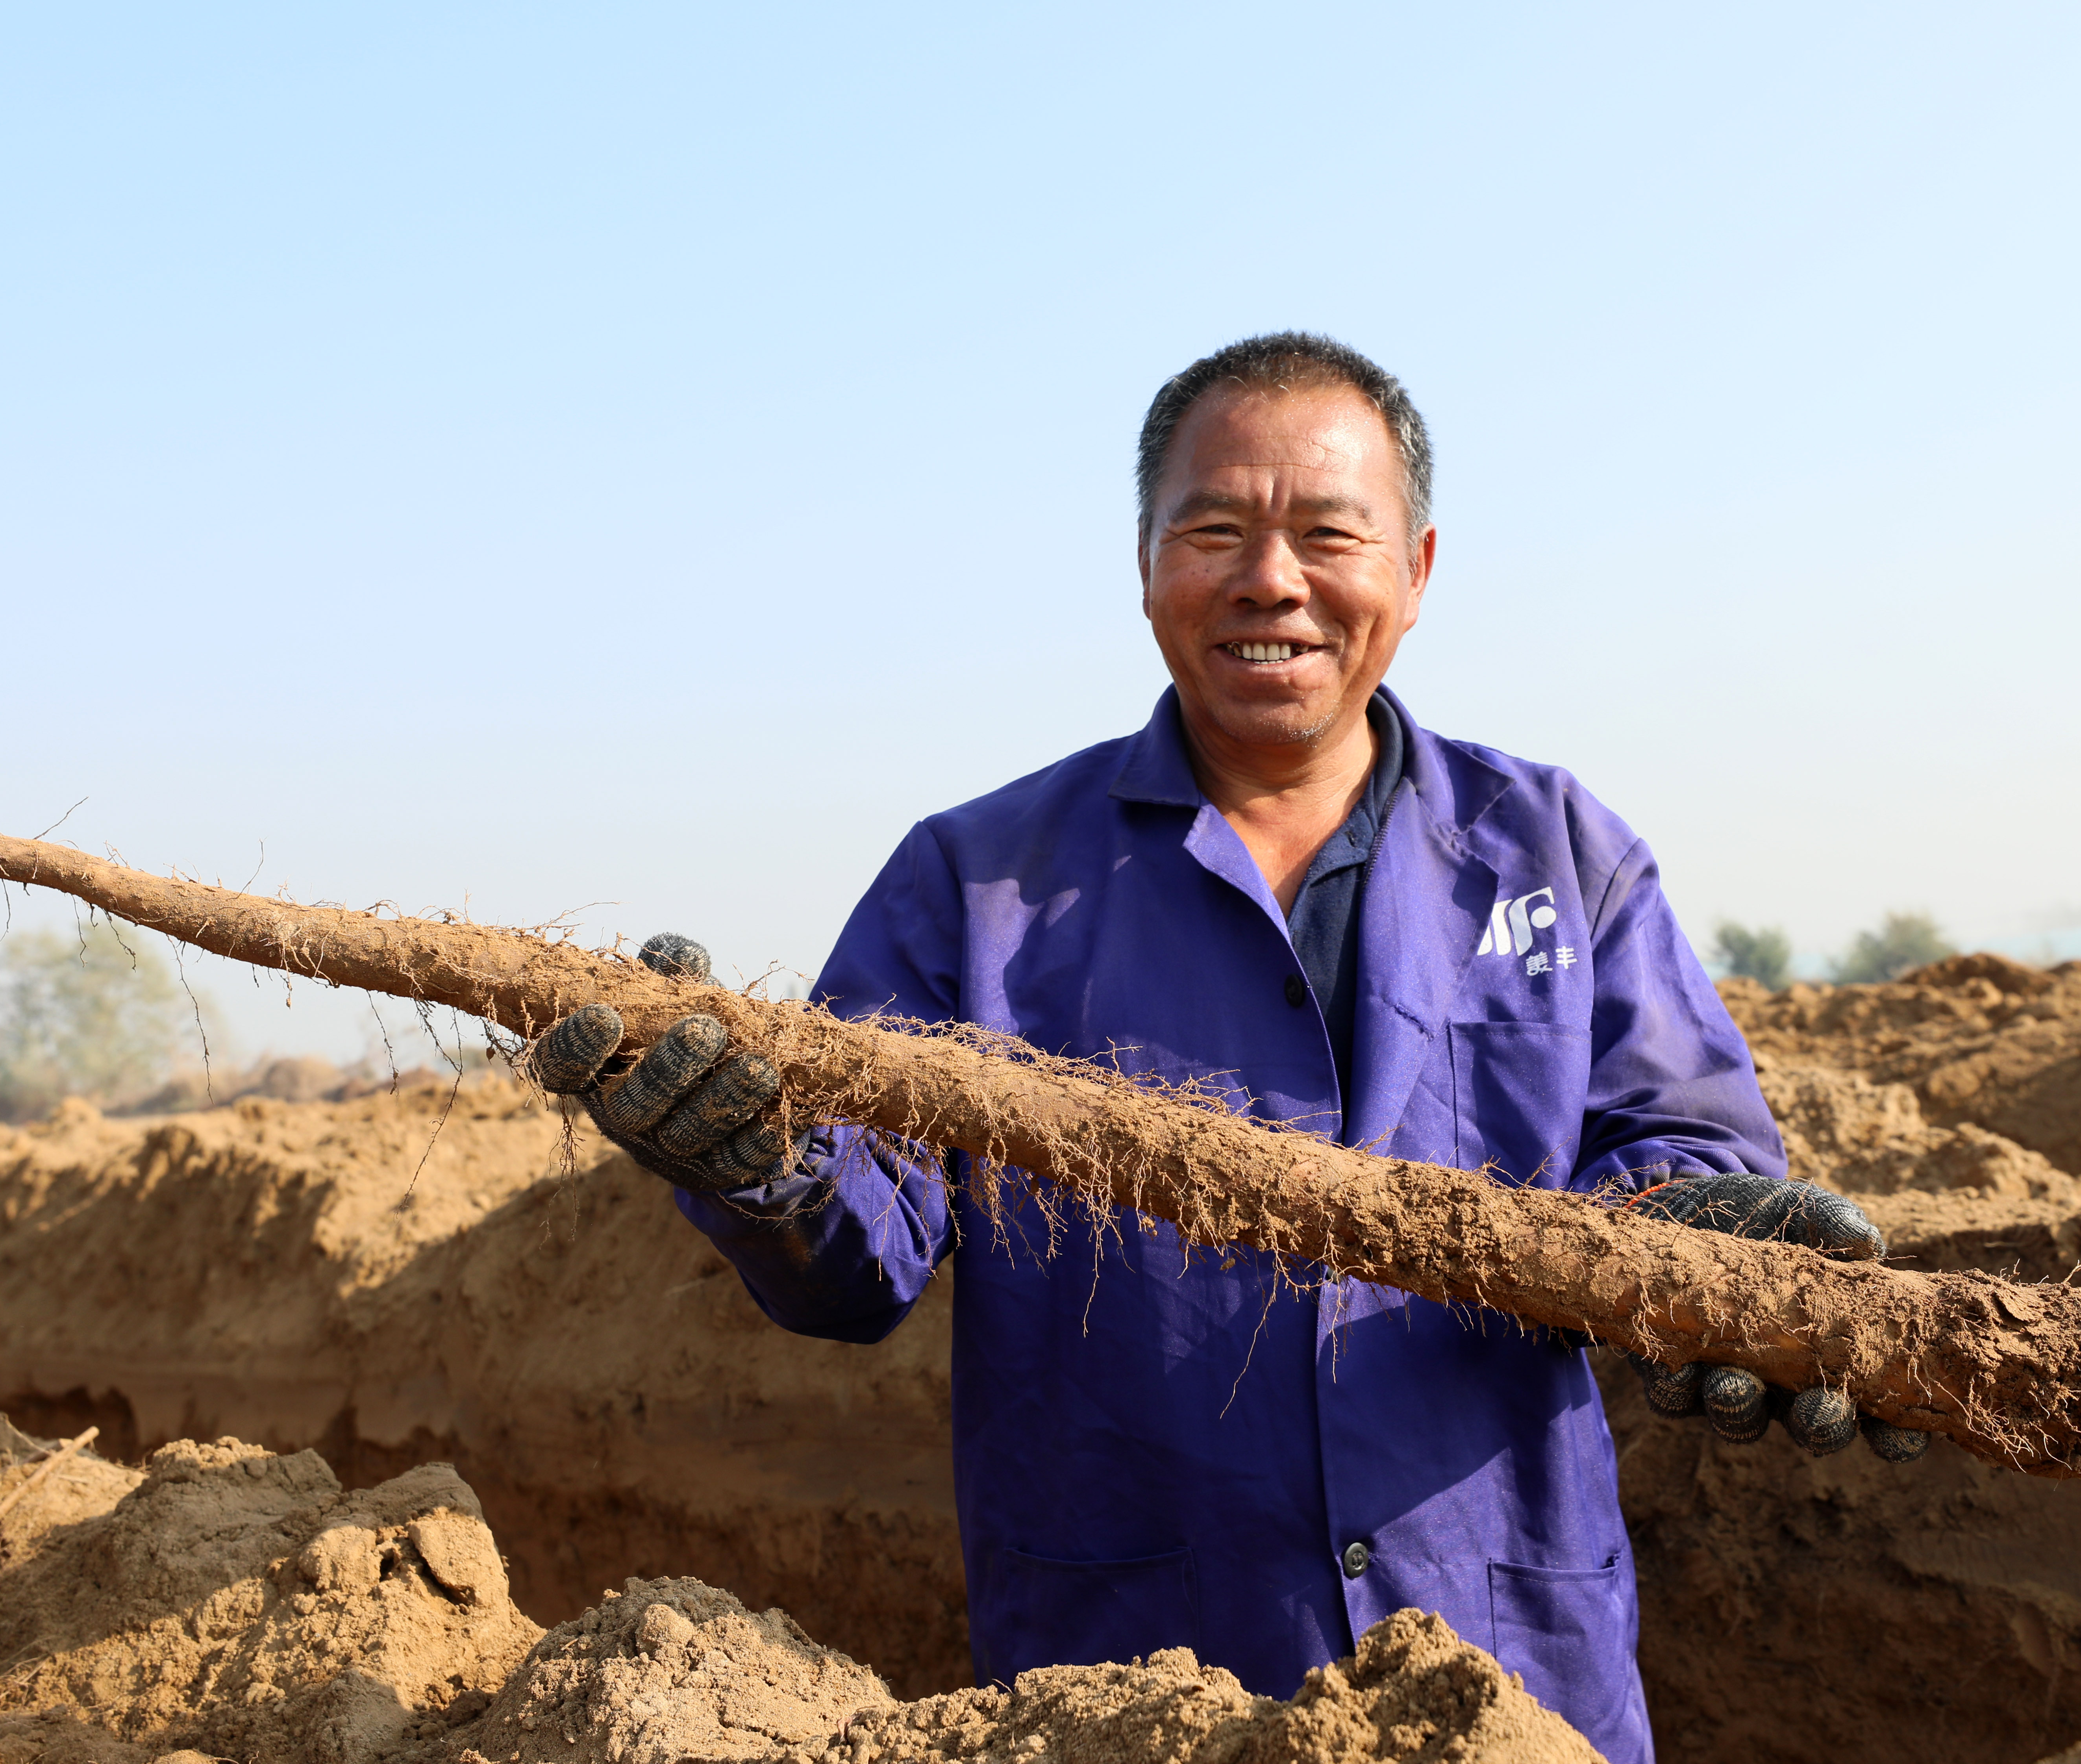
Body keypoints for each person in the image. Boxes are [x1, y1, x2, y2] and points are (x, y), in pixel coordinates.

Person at [524, 333, 1916, 1764]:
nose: (1273, 582)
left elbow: (1681, 1145)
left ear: (1417, 572)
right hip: (1138, 1692)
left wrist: (1690, 1241)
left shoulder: (1557, 854)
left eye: (1329, 534)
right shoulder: (978, 882)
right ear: (1145, 565)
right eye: (1216, 532)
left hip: (1510, 1675)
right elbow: (860, 1246)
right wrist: (760, 1167)